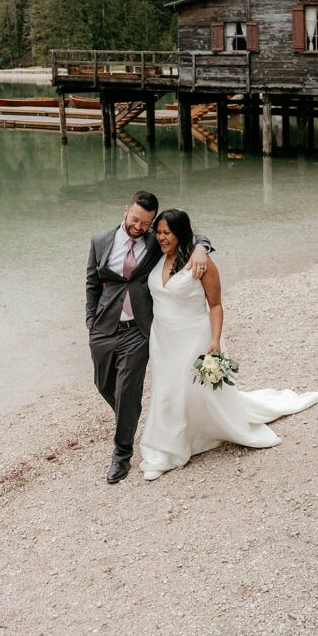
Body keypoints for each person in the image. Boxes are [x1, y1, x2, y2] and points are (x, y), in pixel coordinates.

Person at [138, 209, 318, 481]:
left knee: (188, 388)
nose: (161, 237)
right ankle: (169, 443)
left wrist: (215, 340)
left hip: (194, 335)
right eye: (159, 232)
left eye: (168, 233)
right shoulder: (156, 252)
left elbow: (215, 305)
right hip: (163, 338)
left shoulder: (201, 263)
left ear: (180, 233)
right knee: (166, 389)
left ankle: (170, 449)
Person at [85, 191, 212, 484]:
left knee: (127, 390)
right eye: (135, 220)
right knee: (104, 385)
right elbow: (92, 282)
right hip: (103, 328)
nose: (139, 227)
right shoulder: (100, 241)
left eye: (146, 223)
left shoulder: (157, 241)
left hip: (139, 330)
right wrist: (90, 321)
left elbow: (190, 233)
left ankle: (121, 455)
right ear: (126, 209)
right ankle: (132, 414)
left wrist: (202, 247)